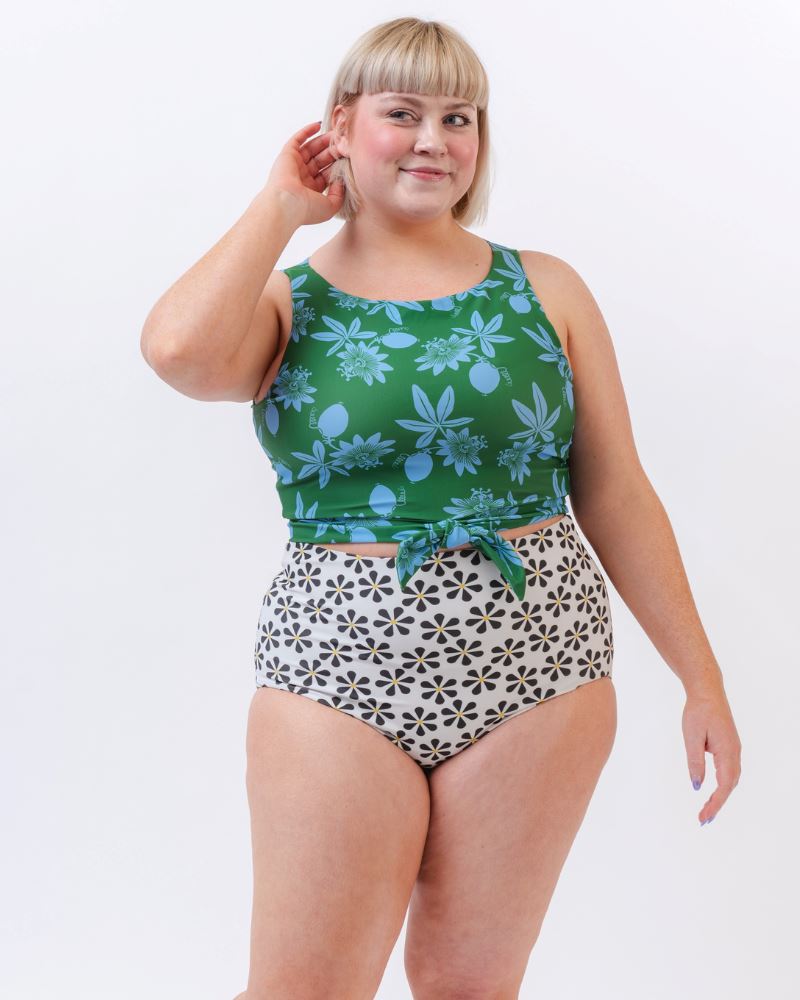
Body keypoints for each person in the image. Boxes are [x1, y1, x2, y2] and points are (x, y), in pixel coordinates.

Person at [140, 16, 742, 1000]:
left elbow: (614, 487)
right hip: (336, 668)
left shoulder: (543, 289)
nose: (433, 139)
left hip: (537, 668)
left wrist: (700, 678)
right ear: (338, 127)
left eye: (456, 117)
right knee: (300, 987)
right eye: (401, 112)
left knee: (467, 984)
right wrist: (278, 205)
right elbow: (176, 352)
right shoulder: (289, 302)